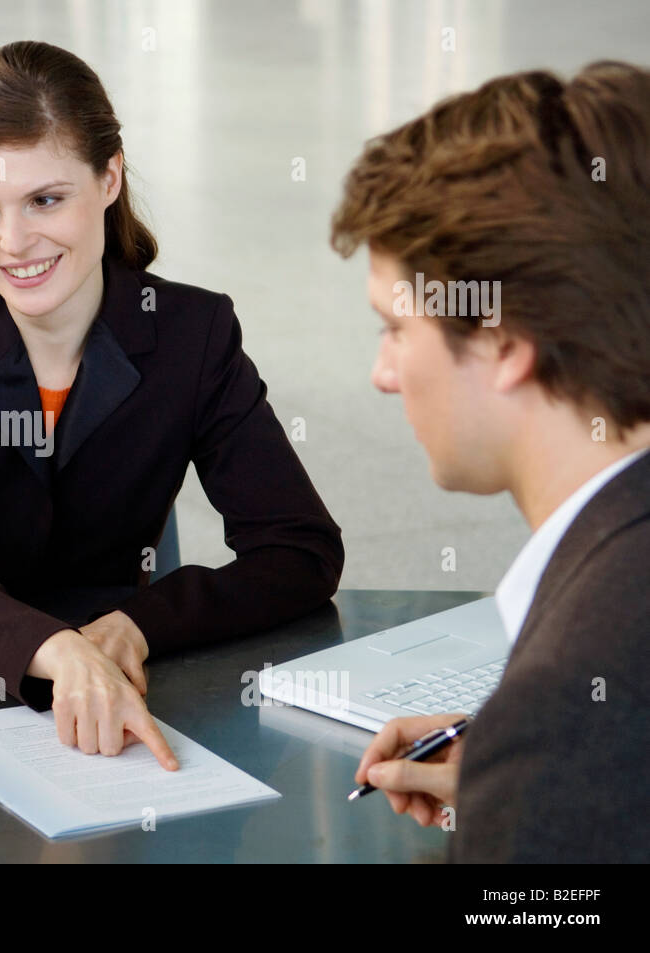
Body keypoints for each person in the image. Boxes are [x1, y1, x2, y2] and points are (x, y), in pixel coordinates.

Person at [0, 40, 344, 768]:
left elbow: (299, 549)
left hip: (121, 692)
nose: (13, 243)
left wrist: (138, 625)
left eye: (46, 200)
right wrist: (55, 649)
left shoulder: (192, 334)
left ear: (110, 177)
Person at [331, 61, 650, 862]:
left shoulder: (564, 707)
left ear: (504, 343)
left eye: (396, 328)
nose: (383, 373)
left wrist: (534, 779)